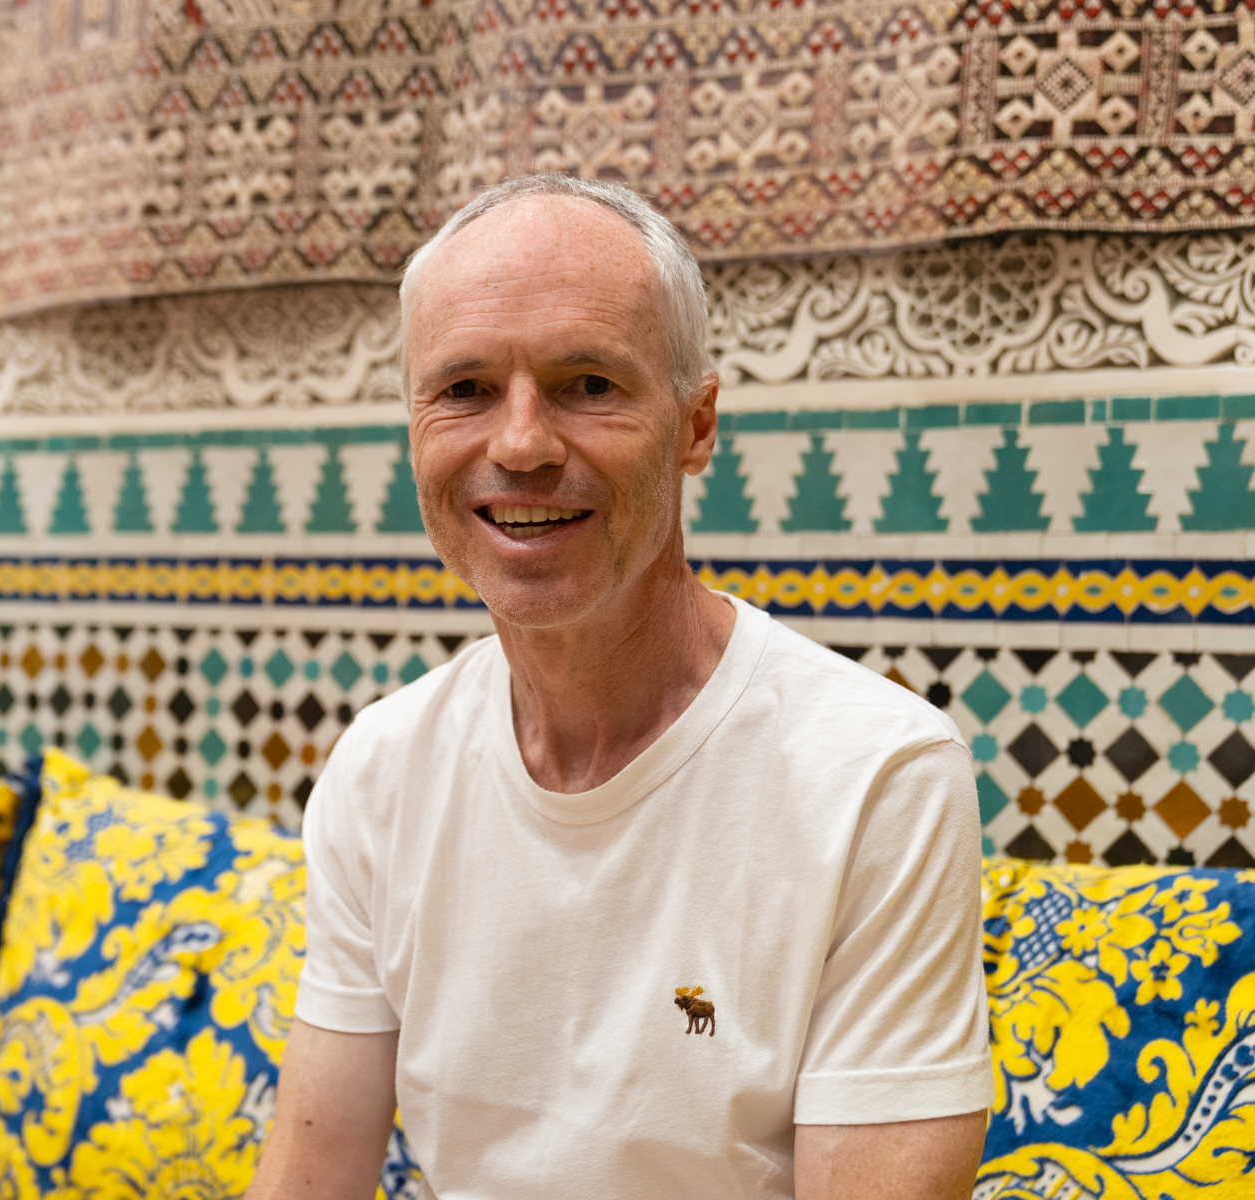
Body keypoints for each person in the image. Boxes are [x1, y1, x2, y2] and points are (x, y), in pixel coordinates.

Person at [244, 174, 989, 1200]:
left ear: (695, 425)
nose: (519, 445)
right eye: (462, 389)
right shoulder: (383, 765)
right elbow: (310, 1175)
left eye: (589, 385)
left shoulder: (876, 777)